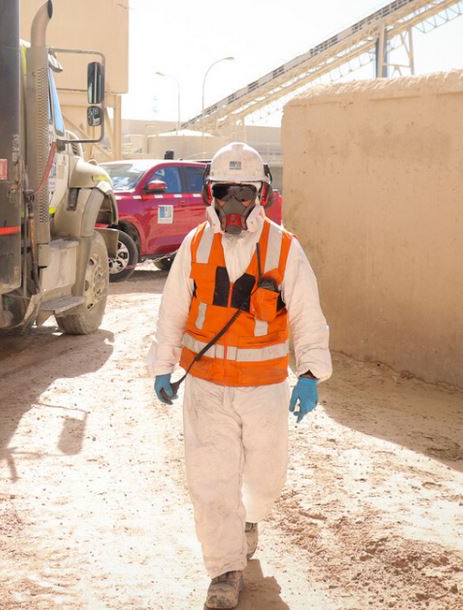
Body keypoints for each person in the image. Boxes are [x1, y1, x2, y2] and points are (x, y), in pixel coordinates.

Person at [147, 142, 332, 609]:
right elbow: (172, 311)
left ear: (261, 195)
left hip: (264, 389)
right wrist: (162, 366)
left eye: (243, 193)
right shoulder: (196, 245)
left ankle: (249, 518)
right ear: (211, 193)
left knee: (265, 479)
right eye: (224, 192)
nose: (233, 204)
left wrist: (309, 372)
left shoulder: (285, 249)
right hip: (207, 388)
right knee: (211, 481)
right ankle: (225, 571)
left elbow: (308, 315)